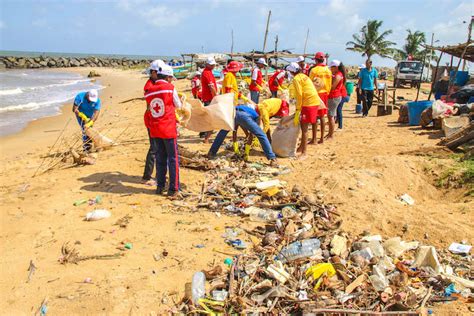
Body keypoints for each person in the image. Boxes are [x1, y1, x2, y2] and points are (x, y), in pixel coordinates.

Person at [144, 64, 182, 197]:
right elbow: (178, 105)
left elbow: (149, 108)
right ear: (168, 77)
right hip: (168, 128)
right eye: (171, 78)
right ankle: (173, 188)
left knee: (160, 158)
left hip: (155, 128)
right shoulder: (170, 89)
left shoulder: (150, 90)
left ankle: (160, 186)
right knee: (173, 158)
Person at [208, 104, 277, 164]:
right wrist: (246, 150)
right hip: (243, 116)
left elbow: (235, 130)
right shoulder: (256, 115)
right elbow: (251, 134)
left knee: (222, 133)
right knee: (261, 135)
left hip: (232, 114)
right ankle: (272, 158)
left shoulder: (245, 108)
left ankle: (211, 152)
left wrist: (236, 145)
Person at [287, 62, 320, 157]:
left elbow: (299, 94)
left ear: (292, 72)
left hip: (308, 103)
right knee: (305, 125)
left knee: (304, 128)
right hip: (314, 101)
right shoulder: (303, 76)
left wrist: (298, 108)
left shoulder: (296, 79)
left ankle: (304, 153)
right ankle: (301, 147)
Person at [142, 59, 166, 185]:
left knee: (157, 148)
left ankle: (155, 174)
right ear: (153, 73)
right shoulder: (150, 86)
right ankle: (147, 176)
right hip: (152, 120)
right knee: (154, 148)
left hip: (155, 118)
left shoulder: (154, 84)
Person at [309, 52, 331, 144]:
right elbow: (329, 84)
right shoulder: (328, 70)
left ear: (316, 60)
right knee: (322, 117)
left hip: (316, 94)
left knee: (314, 116)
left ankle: (314, 139)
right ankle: (321, 138)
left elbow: (310, 83)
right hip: (325, 94)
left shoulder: (314, 70)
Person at [200, 57, 218, 142]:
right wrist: (216, 96)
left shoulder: (208, 72)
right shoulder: (207, 73)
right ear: (207, 65)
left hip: (208, 97)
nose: (213, 66)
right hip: (209, 97)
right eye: (212, 65)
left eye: (213, 64)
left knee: (208, 116)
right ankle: (206, 138)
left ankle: (203, 133)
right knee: (210, 118)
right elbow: (211, 87)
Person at [327, 60, 346, 139]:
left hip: (334, 96)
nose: (331, 69)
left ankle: (331, 135)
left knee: (331, 116)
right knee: (331, 115)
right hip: (334, 96)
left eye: (332, 67)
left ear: (336, 67)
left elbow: (333, 87)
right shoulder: (338, 74)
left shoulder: (338, 75)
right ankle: (330, 134)